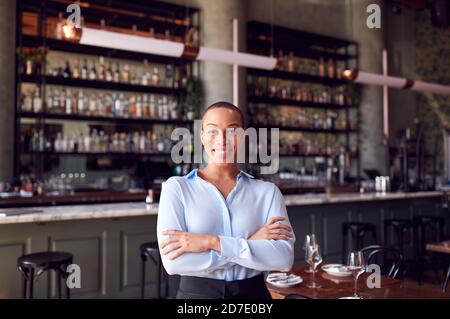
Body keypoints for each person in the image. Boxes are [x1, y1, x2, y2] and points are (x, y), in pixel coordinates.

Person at [157, 101, 295, 299]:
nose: (222, 140)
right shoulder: (177, 188)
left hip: (253, 297)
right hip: (196, 296)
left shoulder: (267, 192)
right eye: (212, 131)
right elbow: (174, 263)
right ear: (202, 137)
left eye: (232, 131)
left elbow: (282, 258)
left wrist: (210, 242)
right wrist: (250, 243)